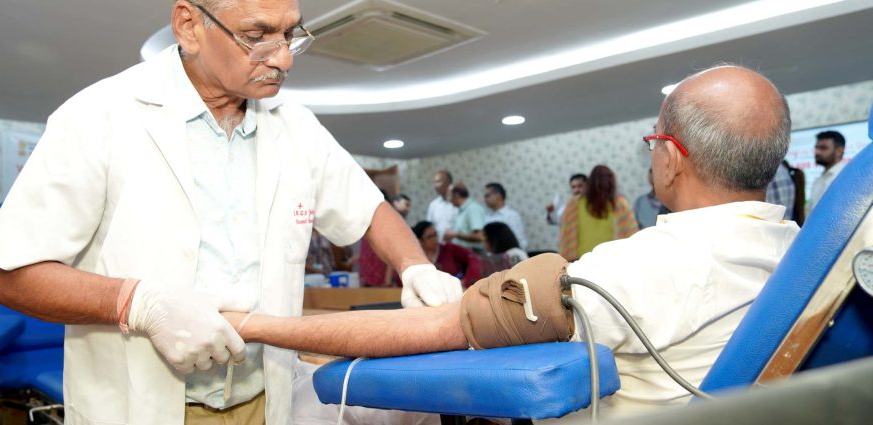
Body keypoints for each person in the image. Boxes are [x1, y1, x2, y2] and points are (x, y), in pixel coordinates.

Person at [0, 1, 462, 423]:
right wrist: (138, 303)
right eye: (257, 35)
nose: (284, 58)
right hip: (140, 405)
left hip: (264, 401)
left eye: (290, 34)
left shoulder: (297, 127)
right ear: (189, 26)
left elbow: (370, 209)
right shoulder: (100, 115)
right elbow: (5, 275)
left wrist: (414, 266)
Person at [221, 65, 800, 420]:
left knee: (329, 403)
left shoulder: (635, 271)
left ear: (670, 158)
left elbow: (433, 330)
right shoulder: (799, 253)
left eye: (653, 142)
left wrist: (251, 325)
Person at [559, 165, 639, 261]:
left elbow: (566, 234)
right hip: (612, 259)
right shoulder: (620, 203)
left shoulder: (574, 203)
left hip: (583, 259)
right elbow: (631, 235)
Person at [413, 221, 482, 287]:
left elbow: (473, 257)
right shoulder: (416, 258)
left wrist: (467, 281)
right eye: (430, 236)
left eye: (435, 234)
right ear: (420, 241)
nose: (435, 238)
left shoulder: (449, 249)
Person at [806, 130, 847, 216]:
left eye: (823, 148)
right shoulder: (819, 179)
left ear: (839, 151)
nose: (817, 152)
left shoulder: (845, 177)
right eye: (816, 148)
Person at [483, 182, 529, 249]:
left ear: (499, 196)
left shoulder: (511, 215)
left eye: (487, 196)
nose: (485, 199)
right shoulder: (487, 216)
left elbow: (519, 241)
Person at [443, 182, 486, 251]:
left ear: (456, 195)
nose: (448, 200)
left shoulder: (473, 209)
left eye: (449, 196)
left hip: (472, 254)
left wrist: (455, 234)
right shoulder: (462, 210)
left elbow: (480, 237)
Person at [426, 170, 458, 241]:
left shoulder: (458, 203)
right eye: (434, 182)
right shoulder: (433, 205)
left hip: (457, 245)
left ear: (448, 183)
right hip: (439, 245)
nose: (435, 186)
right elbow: (429, 227)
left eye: (438, 182)